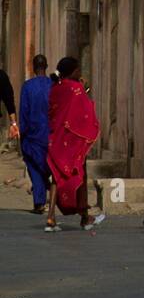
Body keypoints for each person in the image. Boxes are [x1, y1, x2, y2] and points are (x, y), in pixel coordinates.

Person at [44, 57, 105, 233]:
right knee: (80, 175)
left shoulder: (56, 88)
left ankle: (51, 217)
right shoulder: (76, 89)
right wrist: (85, 89)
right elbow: (84, 111)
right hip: (73, 142)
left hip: (56, 140)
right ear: (72, 71)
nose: (80, 72)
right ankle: (85, 218)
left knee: (56, 177)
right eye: (78, 69)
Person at [19, 54, 52, 214]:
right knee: (47, 166)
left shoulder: (27, 87)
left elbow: (23, 112)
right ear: (46, 66)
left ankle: (39, 202)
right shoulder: (53, 85)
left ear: (33, 67)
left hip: (33, 135)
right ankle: (47, 197)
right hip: (51, 135)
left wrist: (23, 132)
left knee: (34, 166)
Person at [0, 64, 19, 142]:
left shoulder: (1, 76)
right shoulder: (1, 76)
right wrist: (13, 123)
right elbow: (9, 102)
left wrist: (13, 124)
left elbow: (9, 101)